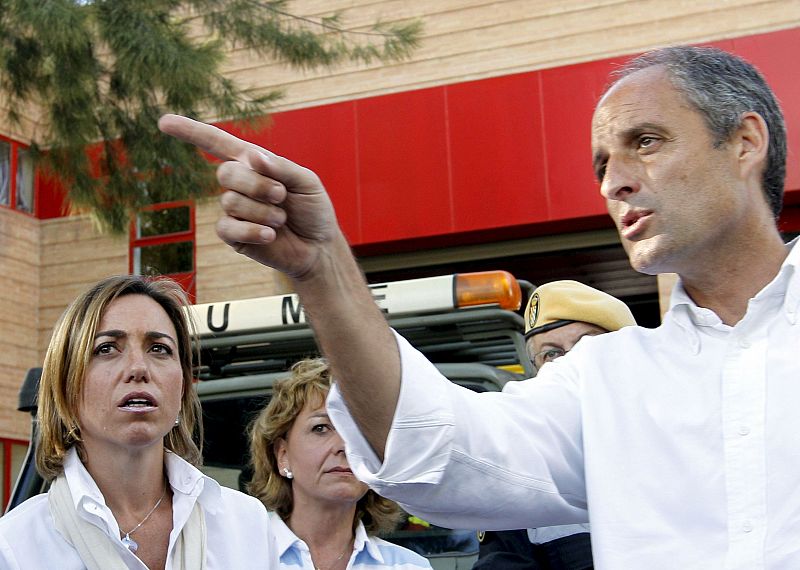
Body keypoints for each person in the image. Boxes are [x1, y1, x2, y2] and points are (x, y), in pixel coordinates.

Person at [158, 44, 798, 567]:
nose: (612, 181)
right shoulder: (605, 380)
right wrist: (321, 267)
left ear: (744, 142)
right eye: (602, 161)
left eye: (647, 141)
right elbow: (438, 450)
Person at [0, 275, 276, 569]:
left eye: (159, 348)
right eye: (106, 348)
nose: (138, 368)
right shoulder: (15, 545)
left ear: (182, 386)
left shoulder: (246, 525)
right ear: (66, 385)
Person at [474, 280, 636, 570]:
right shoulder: (524, 473)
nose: (568, 364)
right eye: (551, 354)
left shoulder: (680, 435)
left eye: (587, 344)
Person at [247, 358, 432, 570]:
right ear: (283, 455)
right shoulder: (238, 557)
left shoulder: (409, 566)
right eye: (321, 428)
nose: (344, 446)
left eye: (358, 431)